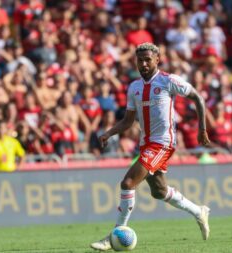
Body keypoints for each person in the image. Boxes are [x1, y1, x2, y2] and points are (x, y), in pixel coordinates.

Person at [90, 43, 211, 251]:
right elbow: (128, 121)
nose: (144, 64)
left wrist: (202, 129)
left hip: (163, 143)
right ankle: (198, 211)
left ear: (157, 59)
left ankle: (115, 234)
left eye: (148, 59)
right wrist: (110, 133)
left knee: (128, 183)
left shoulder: (168, 80)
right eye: (140, 60)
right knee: (159, 191)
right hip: (146, 144)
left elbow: (197, 98)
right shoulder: (134, 87)